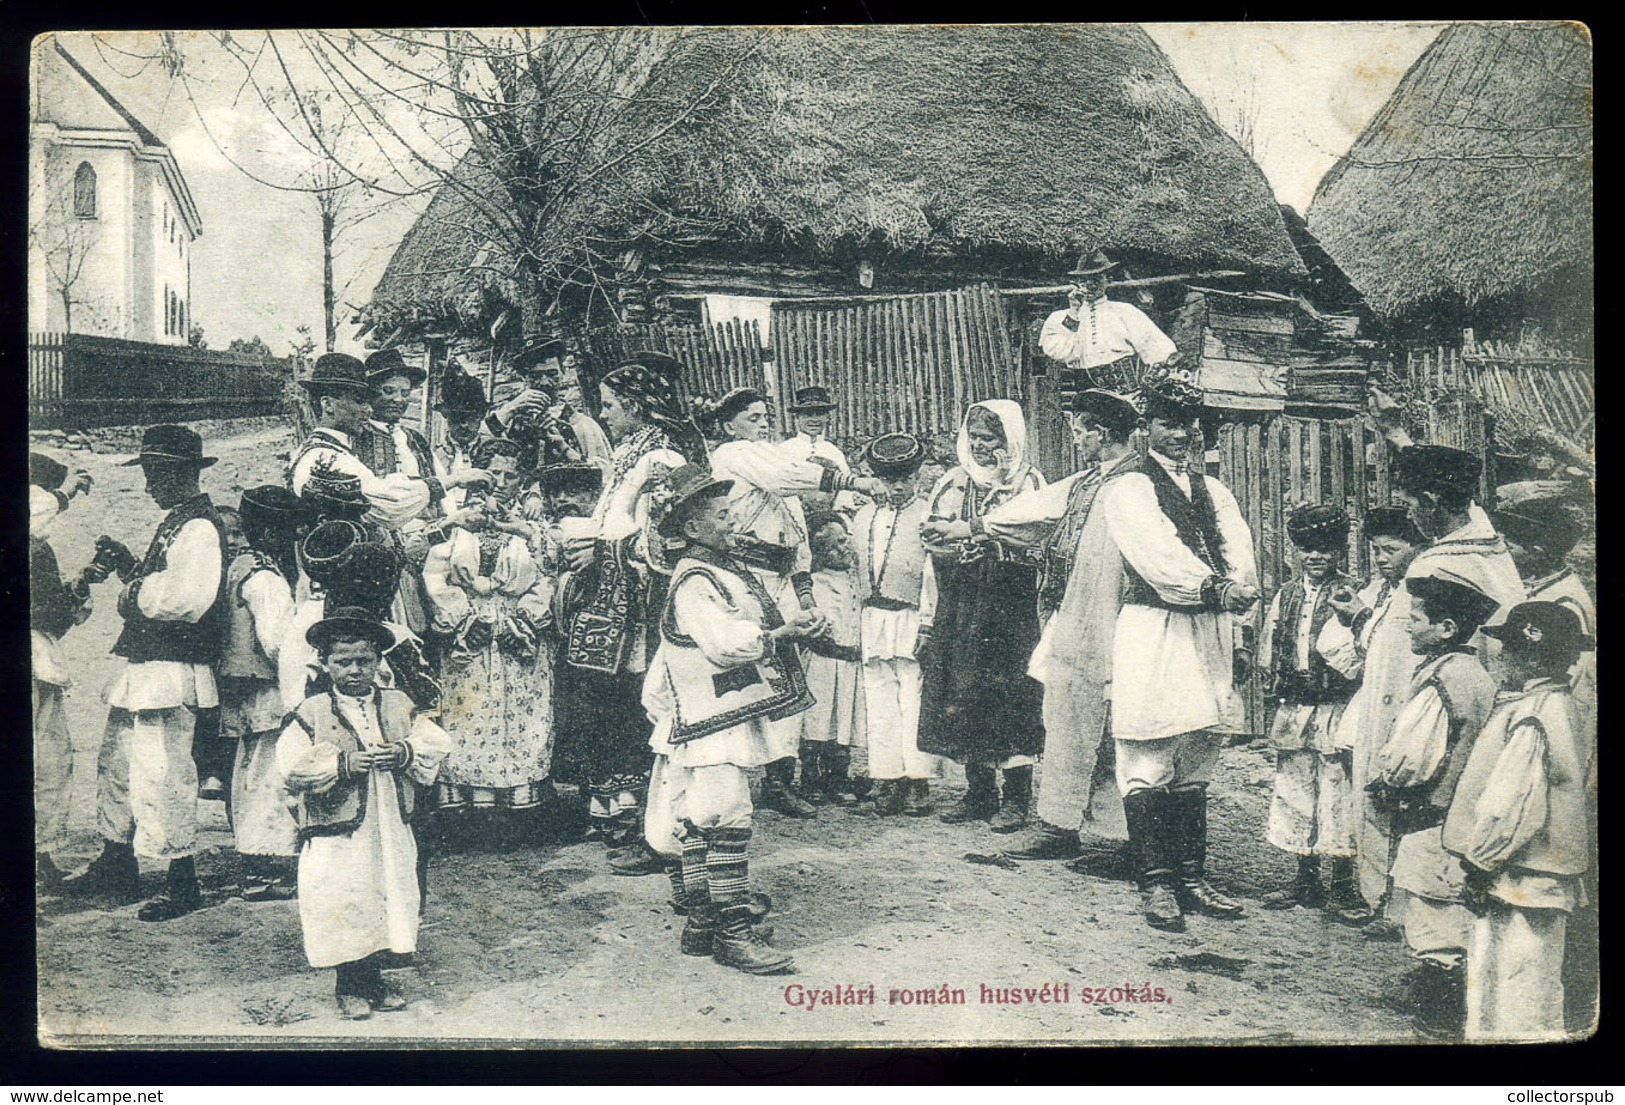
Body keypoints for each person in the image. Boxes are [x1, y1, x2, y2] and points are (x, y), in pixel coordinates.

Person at [642, 464, 825, 974]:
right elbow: (725, 645)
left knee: (702, 817)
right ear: (693, 528)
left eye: (731, 511)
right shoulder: (694, 580)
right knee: (724, 819)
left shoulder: (718, 569)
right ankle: (732, 934)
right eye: (722, 515)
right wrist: (781, 634)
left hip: (715, 715)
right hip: (711, 721)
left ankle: (701, 923)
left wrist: (787, 624)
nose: (732, 522)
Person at [1095, 369, 1258, 932]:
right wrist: (1216, 587)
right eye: (1169, 423)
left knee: (1198, 749)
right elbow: (1159, 559)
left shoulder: (1214, 491)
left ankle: (1192, 876)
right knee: (1147, 752)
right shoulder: (1129, 486)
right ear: (1147, 427)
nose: (1183, 434)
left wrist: (1238, 593)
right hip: (1155, 627)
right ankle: (1156, 881)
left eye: (1191, 424)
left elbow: (1240, 553)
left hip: (1209, 629)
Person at [61, 426, 229, 922]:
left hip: (173, 670)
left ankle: (182, 879)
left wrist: (128, 593)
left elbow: (185, 600)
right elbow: (165, 585)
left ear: (182, 473)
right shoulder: (177, 522)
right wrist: (131, 569)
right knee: (117, 766)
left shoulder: (198, 527)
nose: (150, 484)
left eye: (156, 473)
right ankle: (117, 861)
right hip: (147, 668)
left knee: (164, 774)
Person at [707, 386, 887, 817]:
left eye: (766, 416)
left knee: (786, 677)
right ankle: (725, 778)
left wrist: (805, 595)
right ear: (730, 425)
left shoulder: (773, 464)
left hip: (779, 579)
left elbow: (797, 540)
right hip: (744, 576)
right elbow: (785, 475)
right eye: (752, 417)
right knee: (743, 679)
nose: (763, 423)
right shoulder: (734, 455)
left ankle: (779, 781)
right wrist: (851, 479)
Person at [987, 387, 1145, 867]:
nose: (1076, 439)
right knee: (1065, 718)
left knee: (1119, 724)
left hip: (1123, 619)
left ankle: (1119, 837)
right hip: (1074, 614)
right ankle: (1058, 825)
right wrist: (978, 528)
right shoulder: (1086, 481)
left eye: (1080, 431)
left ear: (1101, 433)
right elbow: (1028, 513)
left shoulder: (1137, 484)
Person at [554, 354, 700, 860]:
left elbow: (666, 540)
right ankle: (622, 814)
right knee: (614, 707)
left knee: (642, 710)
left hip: (644, 608)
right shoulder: (629, 458)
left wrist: (602, 549)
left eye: (612, 405)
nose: (606, 414)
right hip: (615, 605)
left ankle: (652, 830)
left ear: (637, 408)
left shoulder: (662, 461)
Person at [276, 607, 452, 1019]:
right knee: (344, 894)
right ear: (324, 663)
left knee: (383, 890)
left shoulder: (396, 703)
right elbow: (289, 767)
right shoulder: (313, 710)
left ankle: (374, 979)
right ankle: (349, 984)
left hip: (388, 820)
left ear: (378, 661)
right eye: (343, 661)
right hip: (339, 828)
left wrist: (404, 751)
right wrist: (340, 765)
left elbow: (435, 742)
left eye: (364, 661)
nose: (355, 670)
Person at [1443, 601, 1591, 1041]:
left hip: (1520, 879)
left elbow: (1510, 807)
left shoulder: (1534, 715)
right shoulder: (1555, 704)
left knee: (1513, 996)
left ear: (1529, 656)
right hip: (1533, 878)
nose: (1498, 658)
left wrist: (1478, 864)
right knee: (1526, 989)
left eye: (1505, 648)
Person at [1368, 572, 1501, 1039]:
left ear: (1446, 628)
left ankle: (1441, 1015)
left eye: (1416, 619)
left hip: (1434, 815)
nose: (1408, 626)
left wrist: (1388, 780)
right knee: (1450, 913)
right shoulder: (1474, 675)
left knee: (1433, 916)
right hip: (1459, 814)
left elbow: (1412, 757)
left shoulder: (1444, 678)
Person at [917, 400, 1047, 831]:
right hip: (961, 605)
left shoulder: (1029, 485)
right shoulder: (953, 483)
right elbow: (931, 543)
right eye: (974, 438)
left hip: (1009, 610)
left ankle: (1015, 798)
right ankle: (979, 792)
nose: (980, 447)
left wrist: (996, 547)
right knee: (964, 693)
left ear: (1009, 441)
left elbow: (1039, 542)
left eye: (989, 439)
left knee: (1010, 698)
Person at [289, 354, 492, 626]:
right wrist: (450, 482)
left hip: (379, 572)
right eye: (361, 401)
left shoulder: (338, 452)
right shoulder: (323, 459)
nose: (369, 409)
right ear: (327, 404)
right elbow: (390, 506)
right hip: (345, 588)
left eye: (404, 393)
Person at [423, 437, 557, 827]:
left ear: (522, 480)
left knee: (525, 713)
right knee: (467, 712)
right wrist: (463, 620)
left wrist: (527, 620)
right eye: (492, 473)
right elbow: (434, 573)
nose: (499, 481)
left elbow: (548, 573)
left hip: (520, 629)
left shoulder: (533, 524)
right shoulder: (455, 522)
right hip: (468, 632)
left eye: (510, 475)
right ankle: (470, 808)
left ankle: (520, 808)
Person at [1322, 506, 1430, 929]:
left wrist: (1361, 625)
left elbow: (1396, 649)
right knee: (1357, 795)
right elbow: (1337, 649)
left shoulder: (1416, 593)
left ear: (1416, 548)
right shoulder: (1377, 589)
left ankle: (1393, 897)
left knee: (1394, 799)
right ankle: (1363, 886)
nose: (1382, 558)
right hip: (1367, 701)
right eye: (1375, 550)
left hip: (1400, 705)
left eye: (1391, 549)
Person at [1257, 505, 1362, 912]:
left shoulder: (1352, 593)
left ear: (1339, 550)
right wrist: (1275, 683)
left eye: (1324, 549)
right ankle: (1305, 877)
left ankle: (1343, 881)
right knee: (1297, 790)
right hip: (1298, 706)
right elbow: (1271, 643)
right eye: (1306, 549)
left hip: (1336, 704)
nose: (1315, 557)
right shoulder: (1286, 594)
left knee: (1337, 790)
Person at [849, 433, 940, 816]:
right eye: (889, 479)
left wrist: (926, 622)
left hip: (909, 615)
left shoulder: (927, 516)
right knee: (879, 697)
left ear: (918, 477)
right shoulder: (863, 516)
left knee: (912, 696)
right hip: (874, 616)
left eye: (905, 478)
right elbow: (856, 571)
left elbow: (932, 575)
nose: (897, 487)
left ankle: (918, 781)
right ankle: (887, 779)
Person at [221, 486, 302, 900]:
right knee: (271, 775)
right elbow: (278, 644)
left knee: (249, 774)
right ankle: (273, 866)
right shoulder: (267, 578)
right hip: (270, 688)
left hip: (241, 688)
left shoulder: (235, 566)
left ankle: (253, 864)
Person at [31, 460, 108, 886]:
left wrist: (79, 585)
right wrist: (66, 491)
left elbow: (51, 617)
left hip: (38, 660)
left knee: (50, 759)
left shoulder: (38, 550)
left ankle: (39, 853)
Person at [355, 348, 444, 641]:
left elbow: (439, 486)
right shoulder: (357, 438)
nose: (398, 399)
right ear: (369, 393)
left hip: (427, 543)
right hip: (382, 545)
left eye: (405, 393)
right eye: (388, 391)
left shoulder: (414, 439)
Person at [797, 512, 868, 806]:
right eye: (833, 545)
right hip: (822, 663)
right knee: (817, 720)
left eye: (845, 540)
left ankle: (838, 777)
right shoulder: (813, 583)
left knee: (842, 720)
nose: (843, 549)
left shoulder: (857, 580)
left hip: (849, 663)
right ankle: (811, 778)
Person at [1038, 250, 1177, 387]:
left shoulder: (1124, 311)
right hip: (1085, 392)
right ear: (1076, 283)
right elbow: (1058, 351)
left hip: (1125, 394)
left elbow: (1158, 348)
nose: (1090, 285)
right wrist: (1074, 311)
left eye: (1096, 279)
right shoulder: (1060, 318)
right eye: (1084, 280)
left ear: (1108, 281)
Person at [479, 337, 611, 475]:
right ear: (524, 378)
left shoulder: (584, 425)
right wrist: (511, 409)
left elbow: (606, 474)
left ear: (563, 372)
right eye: (534, 376)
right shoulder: (509, 421)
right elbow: (478, 447)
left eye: (551, 374)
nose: (544, 382)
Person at [777, 384, 854, 516]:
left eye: (819, 414)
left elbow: (844, 493)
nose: (814, 419)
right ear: (797, 418)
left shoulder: (833, 452)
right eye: (807, 414)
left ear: (827, 417)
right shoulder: (784, 450)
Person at [431, 361, 495, 512]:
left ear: (480, 416)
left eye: (471, 418)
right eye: (457, 418)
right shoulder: (432, 455)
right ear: (446, 416)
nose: (464, 425)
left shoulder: (494, 452)